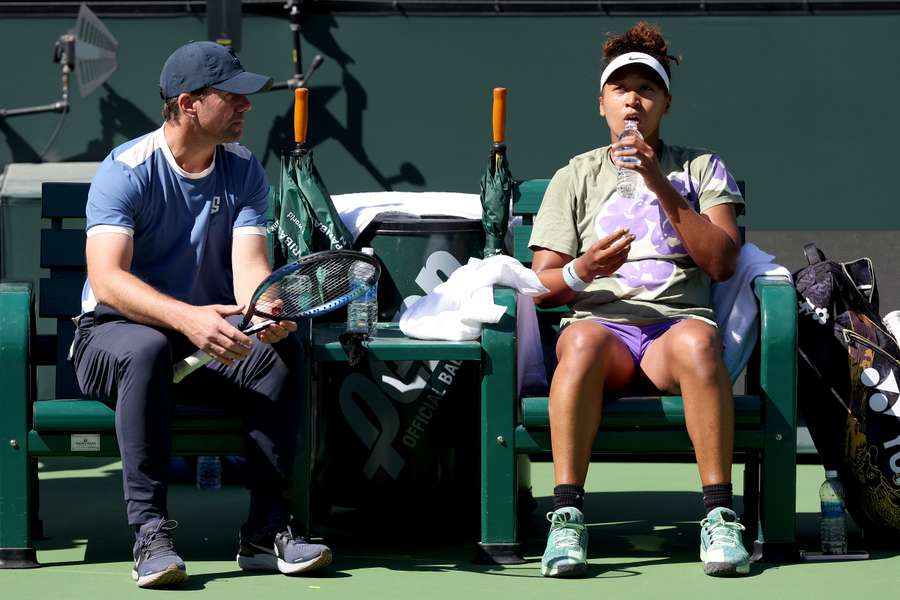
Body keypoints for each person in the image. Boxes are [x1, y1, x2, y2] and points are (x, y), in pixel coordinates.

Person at [70, 41, 331, 588]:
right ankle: (149, 533)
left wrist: (266, 312)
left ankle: (266, 531)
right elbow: (108, 280)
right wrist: (185, 318)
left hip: (204, 337)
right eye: (232, 97)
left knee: (280, 351)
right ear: (189, 103)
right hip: (112, 337)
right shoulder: (126, 170)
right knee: (143, 348)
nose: (247, 106)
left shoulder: (243, 170)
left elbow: (250, 275)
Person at [529, 22, 749, 578]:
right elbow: (542, 284)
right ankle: (567, 517)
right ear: (602, 103)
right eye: (621, 88)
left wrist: (659, 181)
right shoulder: (575, 175)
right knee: (576, 342)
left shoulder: (701, 168)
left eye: (647, 89)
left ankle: (719, 515)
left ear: (665, 104)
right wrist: (584, 269)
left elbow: (722, 262)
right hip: (604, 331)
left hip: (674, 329)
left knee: (701, 343)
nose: (634, 98)